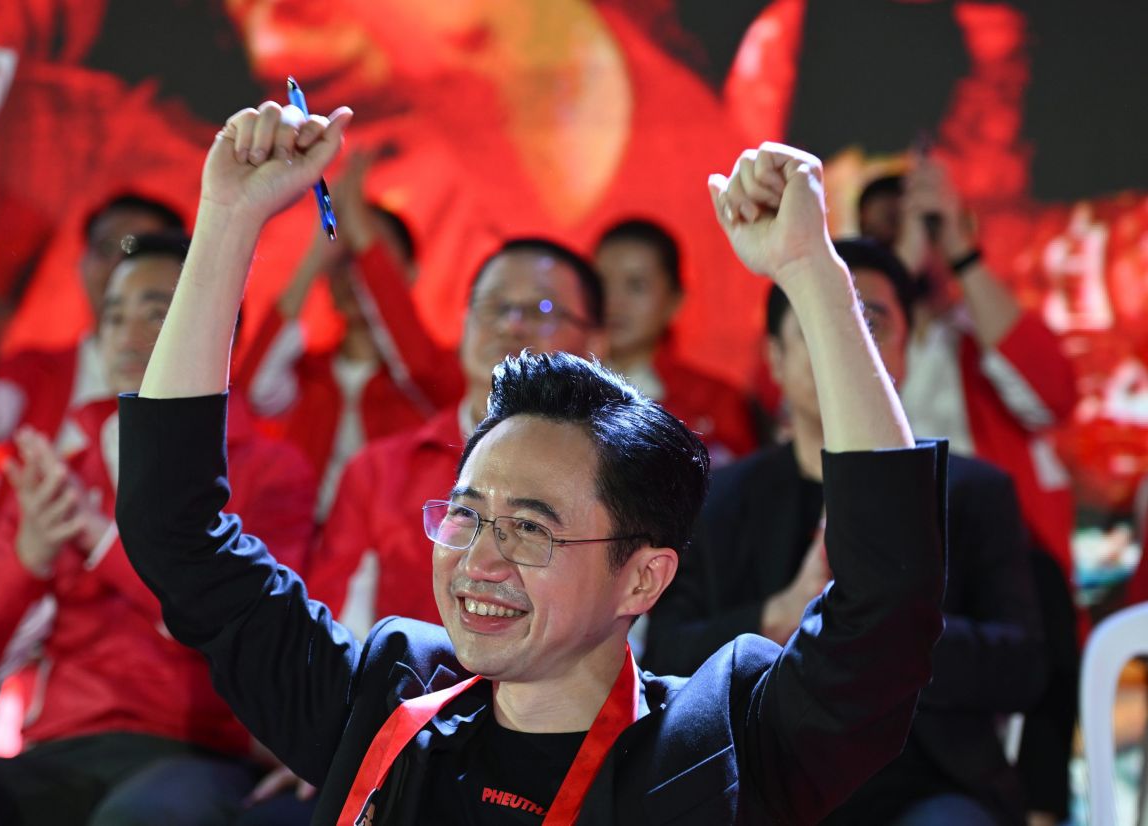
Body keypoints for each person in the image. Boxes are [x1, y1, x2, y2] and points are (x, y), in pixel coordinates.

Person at [113, 102, 945, 823]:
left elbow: (889, 601)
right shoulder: (384, 706)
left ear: (643, 579)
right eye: (468, 515)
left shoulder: (720, 744)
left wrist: (812, 273)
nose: (478, 561)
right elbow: (177, 529)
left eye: (529, 531)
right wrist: (225, 220)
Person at [0, 231, 316, 826]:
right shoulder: (57, 470)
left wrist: (100, 540)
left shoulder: (270, 470)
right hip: (58, 748)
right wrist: (28, 555)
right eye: (113, 316)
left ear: (218, 331)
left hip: (198, 748)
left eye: (158, 314)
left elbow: (237, 629)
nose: (127, 336)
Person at [646, 237, 1047, 825]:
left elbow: (1025, 665)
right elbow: (663, 653)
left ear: (906, 353)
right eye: (817, 323)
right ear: (775, 360)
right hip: (762, 777)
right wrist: (776, 620)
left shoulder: (973, 492)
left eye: (869, 324)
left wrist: (882, 628)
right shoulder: (719, 496)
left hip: (928, 786)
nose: (844, 345)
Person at [309, 235, 606, 633]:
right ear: (464, 323)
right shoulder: (379, 472)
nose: (510, 324)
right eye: (493, 306)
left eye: (542, 308)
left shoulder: (615, 478)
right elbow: (335, 634)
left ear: (596, 342)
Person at [860, 163, 1078, 579]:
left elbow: (1053, 398)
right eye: (883, 231)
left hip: (1004, 567)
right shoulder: (856, 343)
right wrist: (897, 270)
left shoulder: (982, 334)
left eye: (919, 223)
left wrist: (958, 246)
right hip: (896, 566)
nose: (906, 238)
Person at [234, 150, 460, 524]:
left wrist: (356, 224)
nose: (357, 274)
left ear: (408, 273)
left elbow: (416, 364)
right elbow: (251, 388)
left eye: (373, 258)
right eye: (344, 259)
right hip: (300, 554)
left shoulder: (437, 377)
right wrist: (314, 256)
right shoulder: (307, 375)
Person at [0, 195, 186, 444]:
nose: (118, 265)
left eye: (136, 249)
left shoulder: (197, 392)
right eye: (106, 248)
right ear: (82, 265)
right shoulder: (35, 370)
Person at [594, 218, 758, 464]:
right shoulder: (565, 389)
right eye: (599, 284)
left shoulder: (715, 401)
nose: (613, 302)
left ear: (674, 300)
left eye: (636, 286)